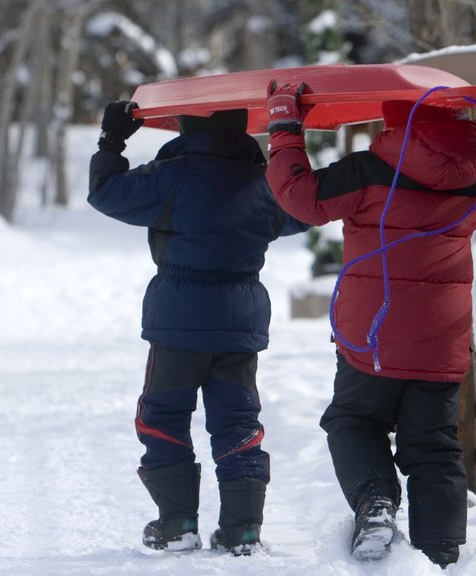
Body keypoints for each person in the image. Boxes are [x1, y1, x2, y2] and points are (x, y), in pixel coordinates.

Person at [263, 81, 476, 567]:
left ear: (392, 124)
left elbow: (302, 198)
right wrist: (469, 137)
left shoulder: (368, 171)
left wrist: (284, 130)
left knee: (354, 421)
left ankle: (376, 502)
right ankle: (442, 554)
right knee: (434, 446)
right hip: (442, 339)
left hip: (374, 334)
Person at [88, 101, 310, 555]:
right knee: (237, 420)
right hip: (239, 322)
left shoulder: (171, 176)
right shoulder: (265, 183)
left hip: (179, 321)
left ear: (188, 127)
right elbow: (305, 209)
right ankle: (243, 529)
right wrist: (292, 143)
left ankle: (176, 523)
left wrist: (112, 141)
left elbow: (106, 193)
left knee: (164, 415)